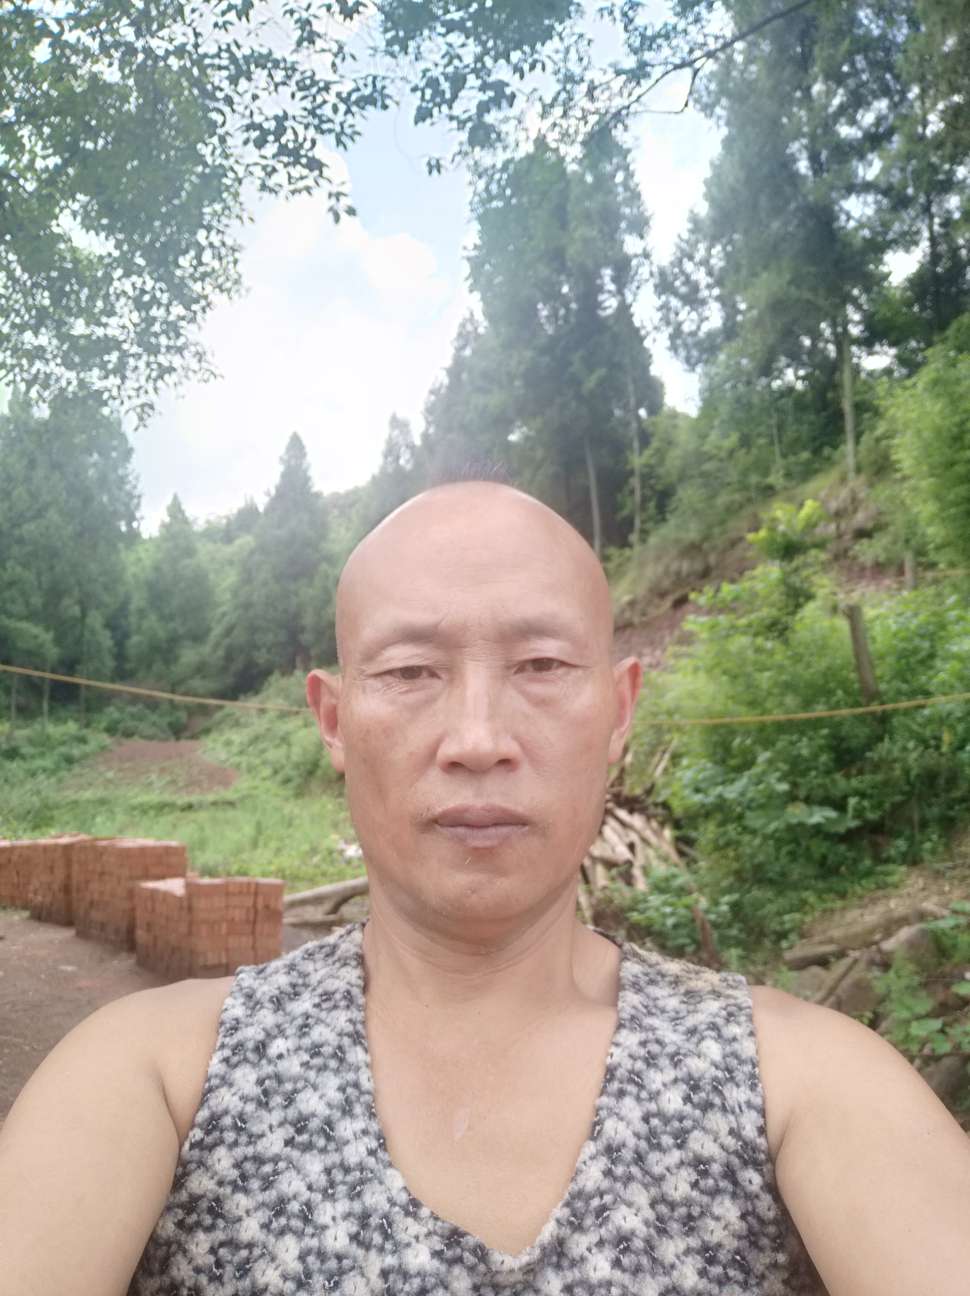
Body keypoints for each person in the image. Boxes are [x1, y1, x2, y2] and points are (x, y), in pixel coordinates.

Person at [2, 480, 969, 1296]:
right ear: (334, 721)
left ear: (619, 711)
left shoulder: (798, 1084)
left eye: (542, 665)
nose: (477, 739)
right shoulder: (157, 1078)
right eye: (410, 671)